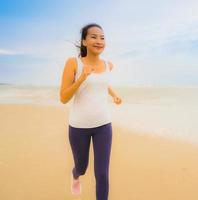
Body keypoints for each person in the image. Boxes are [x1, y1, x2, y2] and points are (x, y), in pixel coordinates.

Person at [59, 23, 122, 200]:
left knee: (102, 174)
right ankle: (75, 175)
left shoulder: (109, 65)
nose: (99, 41)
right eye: (93, 36)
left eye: (102, 37)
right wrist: (82, 78)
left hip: (103, 125)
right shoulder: (73, 63)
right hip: (78, 126)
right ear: (84, 41)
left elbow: (102, 83)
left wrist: (114, 95)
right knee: (81, 166)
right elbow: (63, 98)